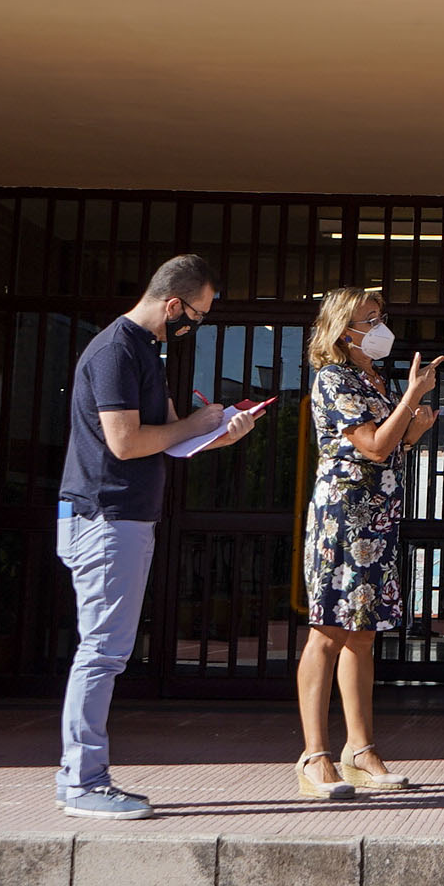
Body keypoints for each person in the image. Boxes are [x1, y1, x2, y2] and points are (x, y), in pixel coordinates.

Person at [54, 253, 266, 819]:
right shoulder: (116, 351)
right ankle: (83, 781)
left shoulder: (144, 350)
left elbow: (168, 438)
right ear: (174, 304)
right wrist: (195, 424)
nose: (195, 325)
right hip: (106, 514)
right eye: (196, 315)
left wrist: (220, 434)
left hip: (121, 516)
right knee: (102, 651)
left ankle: (79, 777)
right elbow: (125, 443)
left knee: (106, 649)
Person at [295, 285, 440, 798]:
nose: (379, 327)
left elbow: (392, 444)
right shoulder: (334, 377)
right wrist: (412, 398)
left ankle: (360, 749)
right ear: (342, 330)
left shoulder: (373, 377)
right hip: (343, 519)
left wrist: (415, 429)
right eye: (369, 319)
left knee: (362, 632)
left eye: (380, 316)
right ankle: (315, 755)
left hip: (377, 520)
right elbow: (374, 446)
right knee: (328, 630)